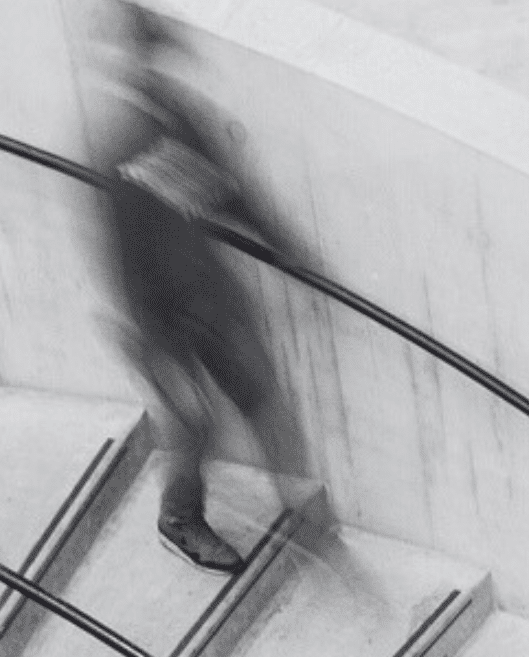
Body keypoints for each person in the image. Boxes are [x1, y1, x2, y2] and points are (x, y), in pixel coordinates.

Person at [91, 2, 319, 574]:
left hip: (205, 300)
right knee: (196, 420)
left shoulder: (177, 121)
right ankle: (180, 517)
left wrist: (285, 246)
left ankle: (304, 515)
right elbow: (126, 258)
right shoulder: (125, 144)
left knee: (259, 395)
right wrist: (158, 338)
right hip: (163, 317)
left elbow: (227, 192)